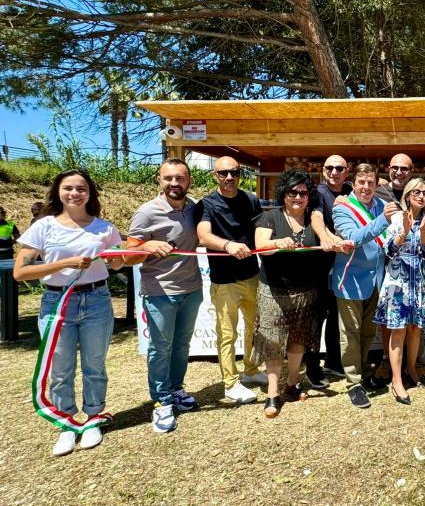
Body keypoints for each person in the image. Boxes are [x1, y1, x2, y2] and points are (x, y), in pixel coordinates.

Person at [13, 170, 123, 456]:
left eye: (81, 188)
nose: (75, 193)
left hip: (97, 300)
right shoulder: (43, 226)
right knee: (60, 369)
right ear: (58, 192)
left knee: (94, 365)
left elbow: (118, 264)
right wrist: (67, 263)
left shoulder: (104, 227)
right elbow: (21, 272)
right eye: (68, 188)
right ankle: (67, 423)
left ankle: (93, 420)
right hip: (57, 302)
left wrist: (125, 253)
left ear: (90, 193)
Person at [125, 158, 203, 434]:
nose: (174, 183)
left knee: (181, 345)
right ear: (159, 180)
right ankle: (161, 401)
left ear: (188, 181)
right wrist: (147, 244)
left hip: (191, 289)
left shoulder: (195, 208)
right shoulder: (147, 213)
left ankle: (176, 389)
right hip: (160, 293)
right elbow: (125, 256)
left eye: (180, 178)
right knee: (160, 349)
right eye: (168, 178)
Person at [253, 169, 333, 417]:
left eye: (303, 192)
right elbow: (260, 248)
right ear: (283, 194)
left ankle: (293, 383)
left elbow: (328, 240)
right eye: (292, 192)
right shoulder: (270, 218)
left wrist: (339, 242)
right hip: (274, 291)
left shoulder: (314, 218)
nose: (298, 197)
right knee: (274, 341)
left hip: (306, 291)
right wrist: (277, 243)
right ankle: (273, 393)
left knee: (298, 340)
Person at [195, 156, 267, 404]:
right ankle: (230, 384)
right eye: (223, 173)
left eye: (234, 173)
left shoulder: (251, 199)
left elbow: (261, 233)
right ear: (215, 175)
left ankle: (251, 370)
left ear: (240, 174)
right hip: (224, 280)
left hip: (252, 275)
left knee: (254, 328)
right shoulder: (207, 204)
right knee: (227, 334)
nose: (229, 178)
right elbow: (203, 236)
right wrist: (228, 245)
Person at [332, 163, 399, 408]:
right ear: (354, 183)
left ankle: (362, 375)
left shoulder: (382, 205)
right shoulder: (342, 209)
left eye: (371, 183)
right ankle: (353, 382)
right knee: (349, 334)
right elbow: (354, 238)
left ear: (376, 183)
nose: (366, 187)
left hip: (377, 279)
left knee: (368, 333)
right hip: (350, 279)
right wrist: (383, 220)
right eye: (361, 183)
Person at [373, 177, 425, 405]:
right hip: (398, 280)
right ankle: (397, 380)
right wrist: (405, 231)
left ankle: (411, 368)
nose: (421, 196)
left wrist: (421, 233)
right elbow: (388, 251)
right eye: (417, 192)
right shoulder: (397, 218)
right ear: (408, 195)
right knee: (398, 330)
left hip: (419, 280)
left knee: (414, 328)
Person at [310, 154, 352, 381]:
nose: (334, 172)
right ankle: (312, 367)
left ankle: (334, 363)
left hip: (343, 266)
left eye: (339, 168)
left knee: (337, 317)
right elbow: (316, 217)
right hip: (320, 266)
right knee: (317, 319)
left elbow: (377, 188)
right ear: (323, 170)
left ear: (347, 171)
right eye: (329, 168)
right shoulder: (318, 192)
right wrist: (327, 237)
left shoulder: (351, 189)